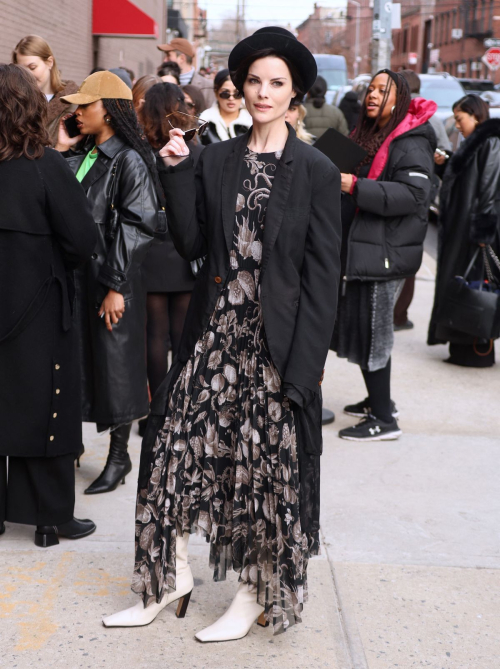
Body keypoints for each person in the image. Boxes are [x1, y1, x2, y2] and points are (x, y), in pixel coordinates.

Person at [102, 26, 342, 641]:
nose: (261, 92)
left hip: (274, 347)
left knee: (260, 475)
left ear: (296, 94)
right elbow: (188, 243)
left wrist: (305, 369)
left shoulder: (313, 168)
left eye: (276, 83)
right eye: (254, 81)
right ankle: (166, 578)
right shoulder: (215, 158)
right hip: (213, 335)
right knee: (170, 458)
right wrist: (177, 172)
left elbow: (322, 277)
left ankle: (253, 594)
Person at [0, 64, 97, 546]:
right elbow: (83, 240)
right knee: (47, 406)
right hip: (38, 306)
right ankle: (49, 517)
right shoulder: (44, 166)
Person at [55, 71, 160, 494]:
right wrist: (61, 149)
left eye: (86, 105)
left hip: (110, 280)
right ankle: (74, 446)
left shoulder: (129, 160)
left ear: (110, 110)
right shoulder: (85, 153)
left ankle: (119, 456)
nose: (77, 112)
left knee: (116, 367)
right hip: (80, 279)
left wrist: (116, 285)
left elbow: (139, 225)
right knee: (81, 361)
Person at [332, 69, 436, 441]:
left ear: (401, 98)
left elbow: (413, 195)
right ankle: (379, 400)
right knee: (363, 327)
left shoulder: (410, 139)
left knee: (375, 334)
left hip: (385, 253)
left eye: (382, 90)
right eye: (370, 89)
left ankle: (384, 420)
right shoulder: (370, 134)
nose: (372, 95)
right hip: (367, 249)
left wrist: (354, 185)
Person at [137, 82, 199, 436]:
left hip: (151, 248)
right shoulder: (190, 146)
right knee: (182, 332)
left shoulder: (140, 148)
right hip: (183, 244)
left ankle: (154, 413)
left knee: (155, 336)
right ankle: (181, 408)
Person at [428, 95, 500, 367]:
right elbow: (466, 178)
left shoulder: (491, 142)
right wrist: (445, 164)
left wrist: (483, 234)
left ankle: (476, 350)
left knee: (474, 289)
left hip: (473, 233)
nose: (456, 125)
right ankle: (461, 347)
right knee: (463, 287)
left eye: (460, 119)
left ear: (476, 115)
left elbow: (489, 191)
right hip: (463, 229)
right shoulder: (476, 143)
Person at [393, 69, 453, 332]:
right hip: (421, 193)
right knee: (408, 253)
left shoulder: (394, 112)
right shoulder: (433, 117)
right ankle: (399, 315)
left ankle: (390, 314)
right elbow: (445, 154)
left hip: (391, 189)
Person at [12, 35, 78, 147]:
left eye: (32, 67)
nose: (28, 75)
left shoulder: (72, 100)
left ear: (49, 62)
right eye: (22, 70)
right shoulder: (14, 102)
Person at [157, 37, 215, 108]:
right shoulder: (158, 82)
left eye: (168, 55)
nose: (165, 60)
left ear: (182, 58)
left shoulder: (207, 86)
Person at [199, 69, 253, 144]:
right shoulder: (203, 122)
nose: (231, 98)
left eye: (237, 94)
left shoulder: (253, 122)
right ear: (216, 93)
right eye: (225, 94)